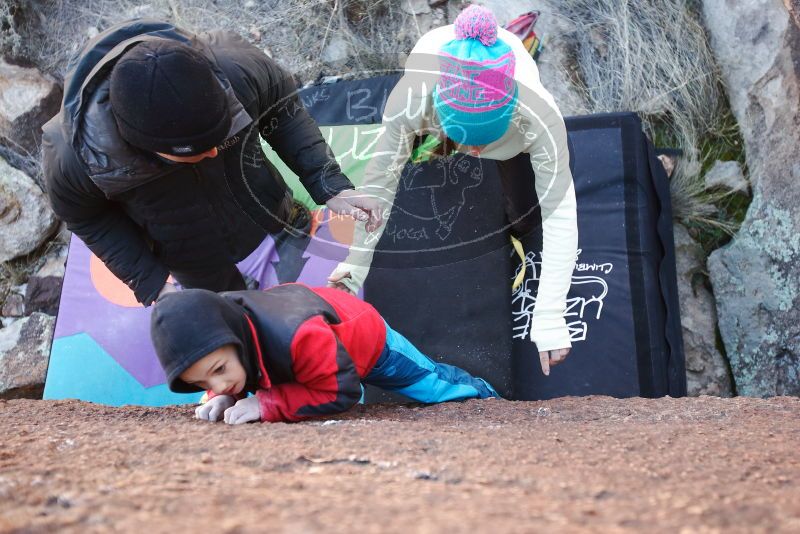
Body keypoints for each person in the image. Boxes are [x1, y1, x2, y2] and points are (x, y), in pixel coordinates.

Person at [42, 20, 378, 307]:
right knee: (232, 311)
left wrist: (329, 184)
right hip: (188, 257)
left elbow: (283, 108)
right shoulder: (77, 156)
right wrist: (151, 282)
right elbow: (86, 216)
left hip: (272, 210)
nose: (214, 152)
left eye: (220, 137)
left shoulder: (234, 68)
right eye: (195, 151)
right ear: (142, 145)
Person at [326, 6, 578, 376]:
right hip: (435, 114)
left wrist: (552, 315)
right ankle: (451, 140)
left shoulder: (539, 115)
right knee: (410, 164)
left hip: (507, 126)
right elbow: (378, 189)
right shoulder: (410, 102)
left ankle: (516, 44)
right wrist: (354, 266)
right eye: (467, 142)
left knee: (527, 212)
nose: (475, 154)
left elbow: (562, 213)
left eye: (483, 143)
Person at [150, 283, 498, 424]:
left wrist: (267, 404)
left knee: (433, 386)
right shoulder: (223, 331)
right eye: (201, 382)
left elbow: (344, 391)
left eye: (219, 370)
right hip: (310, 353)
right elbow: (225, 363)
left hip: (368, 341)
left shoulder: (300, 335)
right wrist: (224, 396)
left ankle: (489, 396)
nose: (218, 383)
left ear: (235, 340)